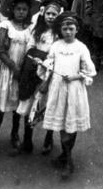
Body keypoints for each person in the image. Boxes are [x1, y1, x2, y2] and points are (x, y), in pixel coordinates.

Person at [39, 12, 96, 179]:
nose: (68, 32)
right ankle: (65, 155)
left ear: (76, 30)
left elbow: (90, 71)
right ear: (60, 30)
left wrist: (75, 76)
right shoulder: (56, 45)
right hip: (58, 88)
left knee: (70, 123)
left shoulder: (81, 47)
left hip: (73, 88)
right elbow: (50, 61)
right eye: (65, 29)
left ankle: (69, 160)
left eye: (71, 29)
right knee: (61, 121)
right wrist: (45, 64)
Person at [0, 0, 39, 159]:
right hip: (7, 70)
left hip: (23, 72)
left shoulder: (31, 28)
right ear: (12, 10)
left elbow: (32, 49)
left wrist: (24, 69)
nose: (21, 12)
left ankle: (14, 135)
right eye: (18, 9)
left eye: (24, 9)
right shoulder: (5, 25)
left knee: (17, 107)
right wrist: (13, 66)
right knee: (1, 107)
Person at [16, 0, 66, 155]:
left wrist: (47, 63)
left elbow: (58, 56)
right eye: (48, 14)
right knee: (30, 104)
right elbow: (30, 48)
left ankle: (48, 138)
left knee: (48, 105)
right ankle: (27, 140)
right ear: (43, 14)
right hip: (33, 70)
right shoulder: (36, 30)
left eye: (54, 14)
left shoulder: (60, 35)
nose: (51, 17)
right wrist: (36, 58)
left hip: (50, 73)